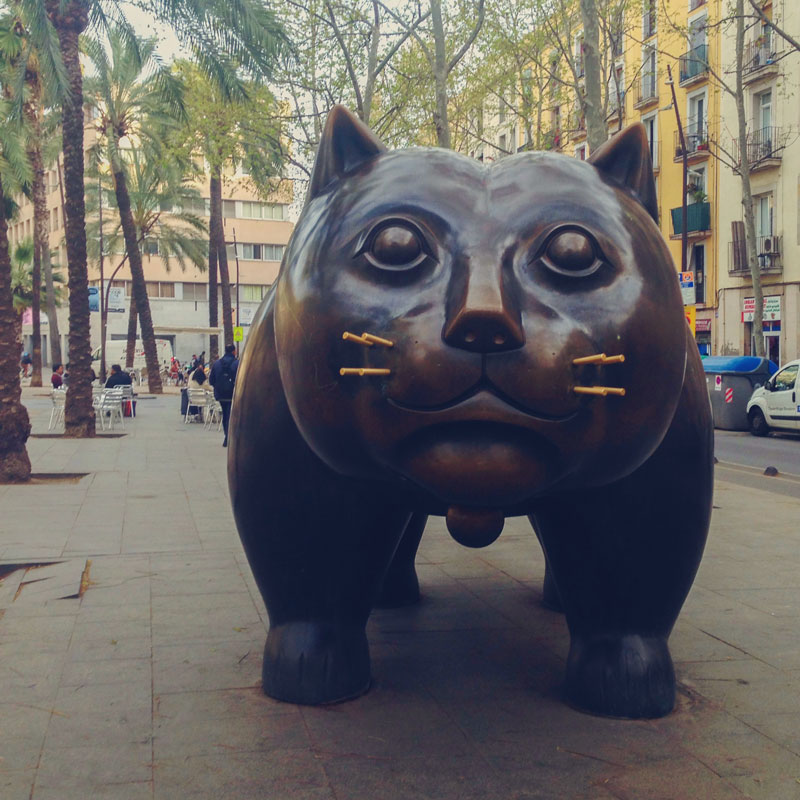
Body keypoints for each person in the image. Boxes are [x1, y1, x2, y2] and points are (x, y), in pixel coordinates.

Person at [209, 344, 239, 447]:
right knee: (229, 416)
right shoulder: (237, 363)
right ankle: (228, 437)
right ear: (233, 351)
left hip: (221, 395)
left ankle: (227, 436)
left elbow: (211, 380)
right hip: (232, 394)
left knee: (225, 415)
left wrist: (219, 386)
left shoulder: (217, 364)